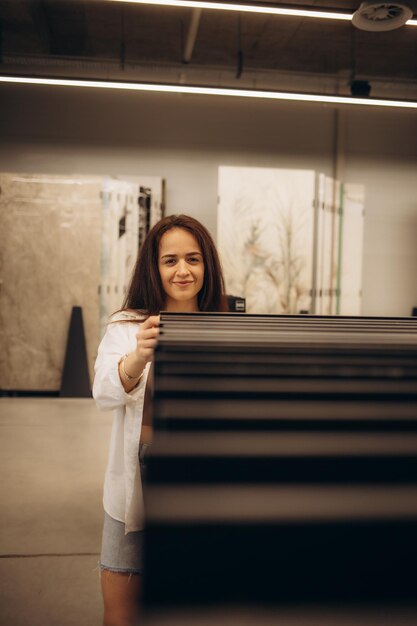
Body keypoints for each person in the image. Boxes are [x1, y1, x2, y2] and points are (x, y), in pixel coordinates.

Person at [93, 214, 228, 626]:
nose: (183, 270)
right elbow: (101, 394)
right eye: (170, 261)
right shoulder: (126, 325)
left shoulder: (226, 327)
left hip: (201, 475)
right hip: (135, 473)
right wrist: (137, 356)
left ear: (207, 265)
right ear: (154, 267)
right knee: (121, 604)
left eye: (193, 259)